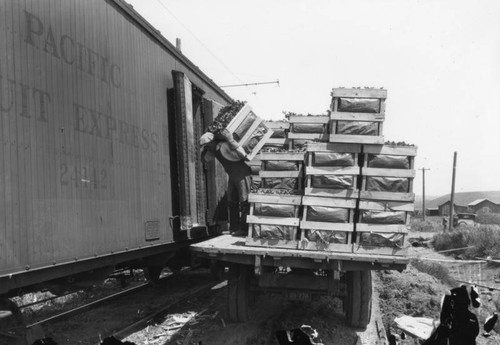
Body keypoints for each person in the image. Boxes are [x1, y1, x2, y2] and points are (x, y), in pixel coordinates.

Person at [200, 129, 251, 237]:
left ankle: (244, 229)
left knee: (244, 201)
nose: (207, 148)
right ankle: (234, 228)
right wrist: (204, 150)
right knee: (232, 202)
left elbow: (243, 155)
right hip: (232, 176)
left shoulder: (224, 146)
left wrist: (231, 141)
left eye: (208, 145)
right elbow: (204, 160)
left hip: (242, 174)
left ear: (212, 142)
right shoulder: (214, 150)